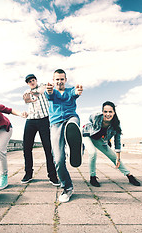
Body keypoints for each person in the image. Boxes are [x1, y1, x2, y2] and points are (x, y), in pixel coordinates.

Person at [45, 69, 84, 203]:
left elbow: (76, 92)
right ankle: (67, 187)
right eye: (57, 79)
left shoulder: (70, 91)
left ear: (65, 80)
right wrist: (49, 90)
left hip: (71, 119)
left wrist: (78, 91)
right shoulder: (51, 92)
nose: (60, 82)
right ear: (54, 80)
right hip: (55, 124)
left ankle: (77, 147)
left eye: (62, 79)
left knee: (72, 125)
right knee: (59, 160)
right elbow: (49, 94)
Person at [82, 101, 141, 187]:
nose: (108, 114)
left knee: (114, 157)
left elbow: (117, 140)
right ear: (102, 112)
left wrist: (118, 156)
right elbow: (90, 119)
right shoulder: (96, 116)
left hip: (98, 139)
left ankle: (129, 176)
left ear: (114, 112)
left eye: (110, 112)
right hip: (87, 134)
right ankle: (92, 177)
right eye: (105, 111)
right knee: (92, 153)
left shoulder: (116, 124)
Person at [21, 74, 60, 186]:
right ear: (27, 84)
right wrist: (29, 95)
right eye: (29, 81)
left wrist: (34, 92)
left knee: (48, 148)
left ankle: (52, 176)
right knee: (26, 147)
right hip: (31, 120)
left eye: (33, 80)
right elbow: (27, 100)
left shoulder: (42, 86)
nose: (31, 82)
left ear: (36, 80)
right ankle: (28, 173)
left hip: (44, 119)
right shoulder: (26, 92)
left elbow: (41, 91)